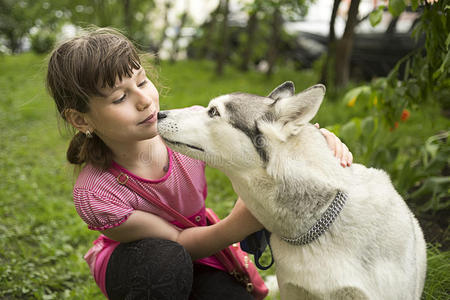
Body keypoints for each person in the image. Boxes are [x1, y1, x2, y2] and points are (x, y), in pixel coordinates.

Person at [46, 27, 353, 300]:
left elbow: (264, 130)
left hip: (203, 253)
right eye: (119, 98)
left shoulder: (186, 131)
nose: (144, 100)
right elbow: (179, 242)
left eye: (142, 81)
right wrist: (244, 221)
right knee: (165, 263)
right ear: (80, 119)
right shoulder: (96, 194)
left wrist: (315, 139)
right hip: (142, 262)